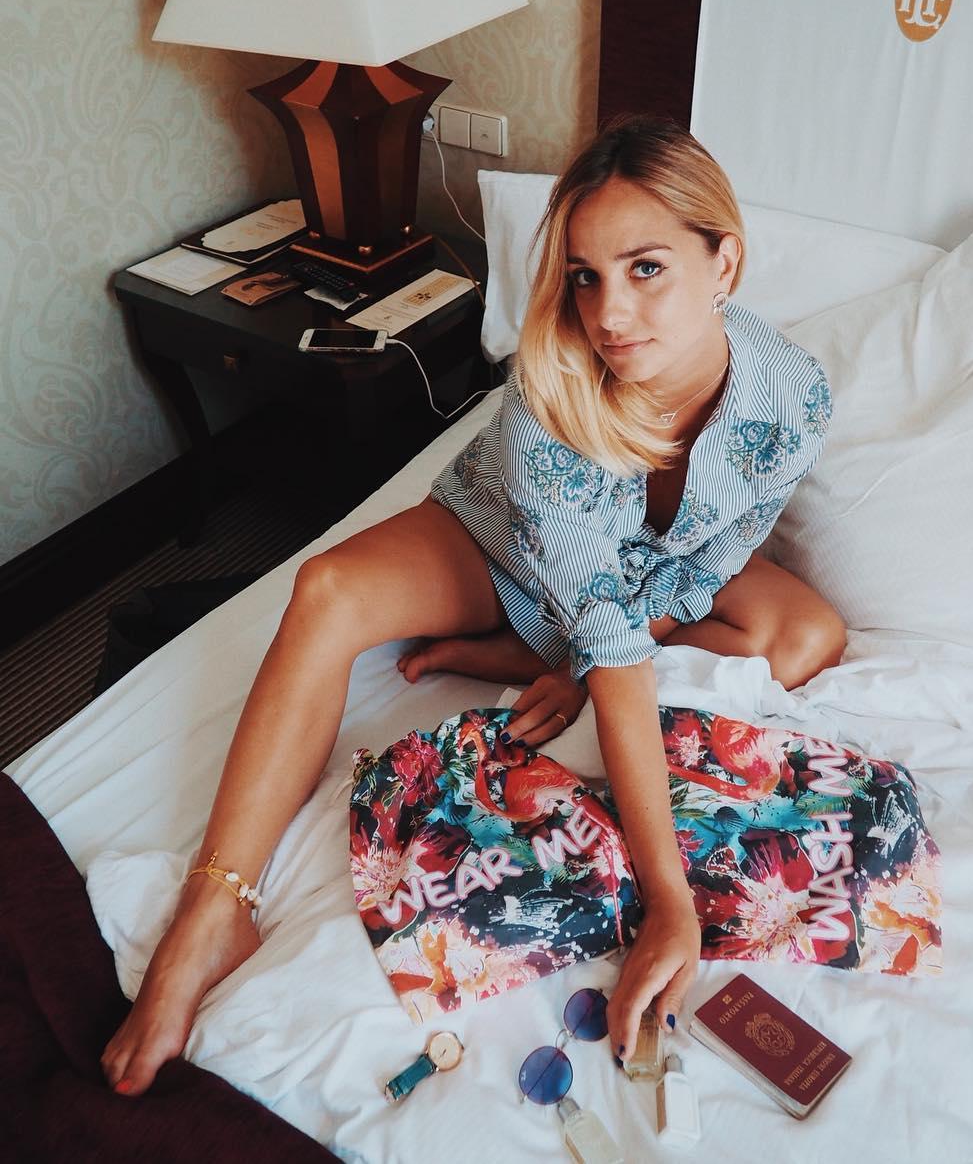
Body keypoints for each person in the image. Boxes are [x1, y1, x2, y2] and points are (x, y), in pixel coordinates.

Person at [102, 114, 845, 1097]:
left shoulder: (796, 398)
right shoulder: (552, 394)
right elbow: (616, 642)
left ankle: (524, 656)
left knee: (809, 633)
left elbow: (706, 564)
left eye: (647, 269)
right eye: (585, 277)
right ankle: (213, 908)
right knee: (326, 590)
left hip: (633, 587)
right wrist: (670, 898)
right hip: (502, 545)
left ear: (726, 263)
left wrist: (583, 664)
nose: (610, 314)